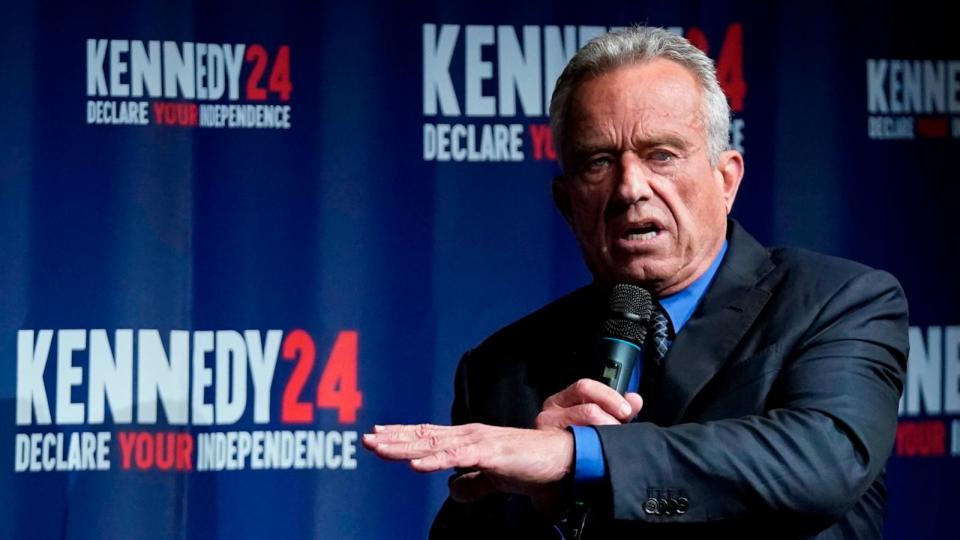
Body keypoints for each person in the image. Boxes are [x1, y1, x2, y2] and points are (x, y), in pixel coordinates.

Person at [363, 26, 908, 539]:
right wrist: (551, 507)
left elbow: (824, 464)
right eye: (598, 161)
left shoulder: (838, 303)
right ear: (566, 204)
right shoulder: (501, 369)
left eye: (661, 155)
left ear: (727, 180)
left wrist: (582, 457)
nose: (630, 188)